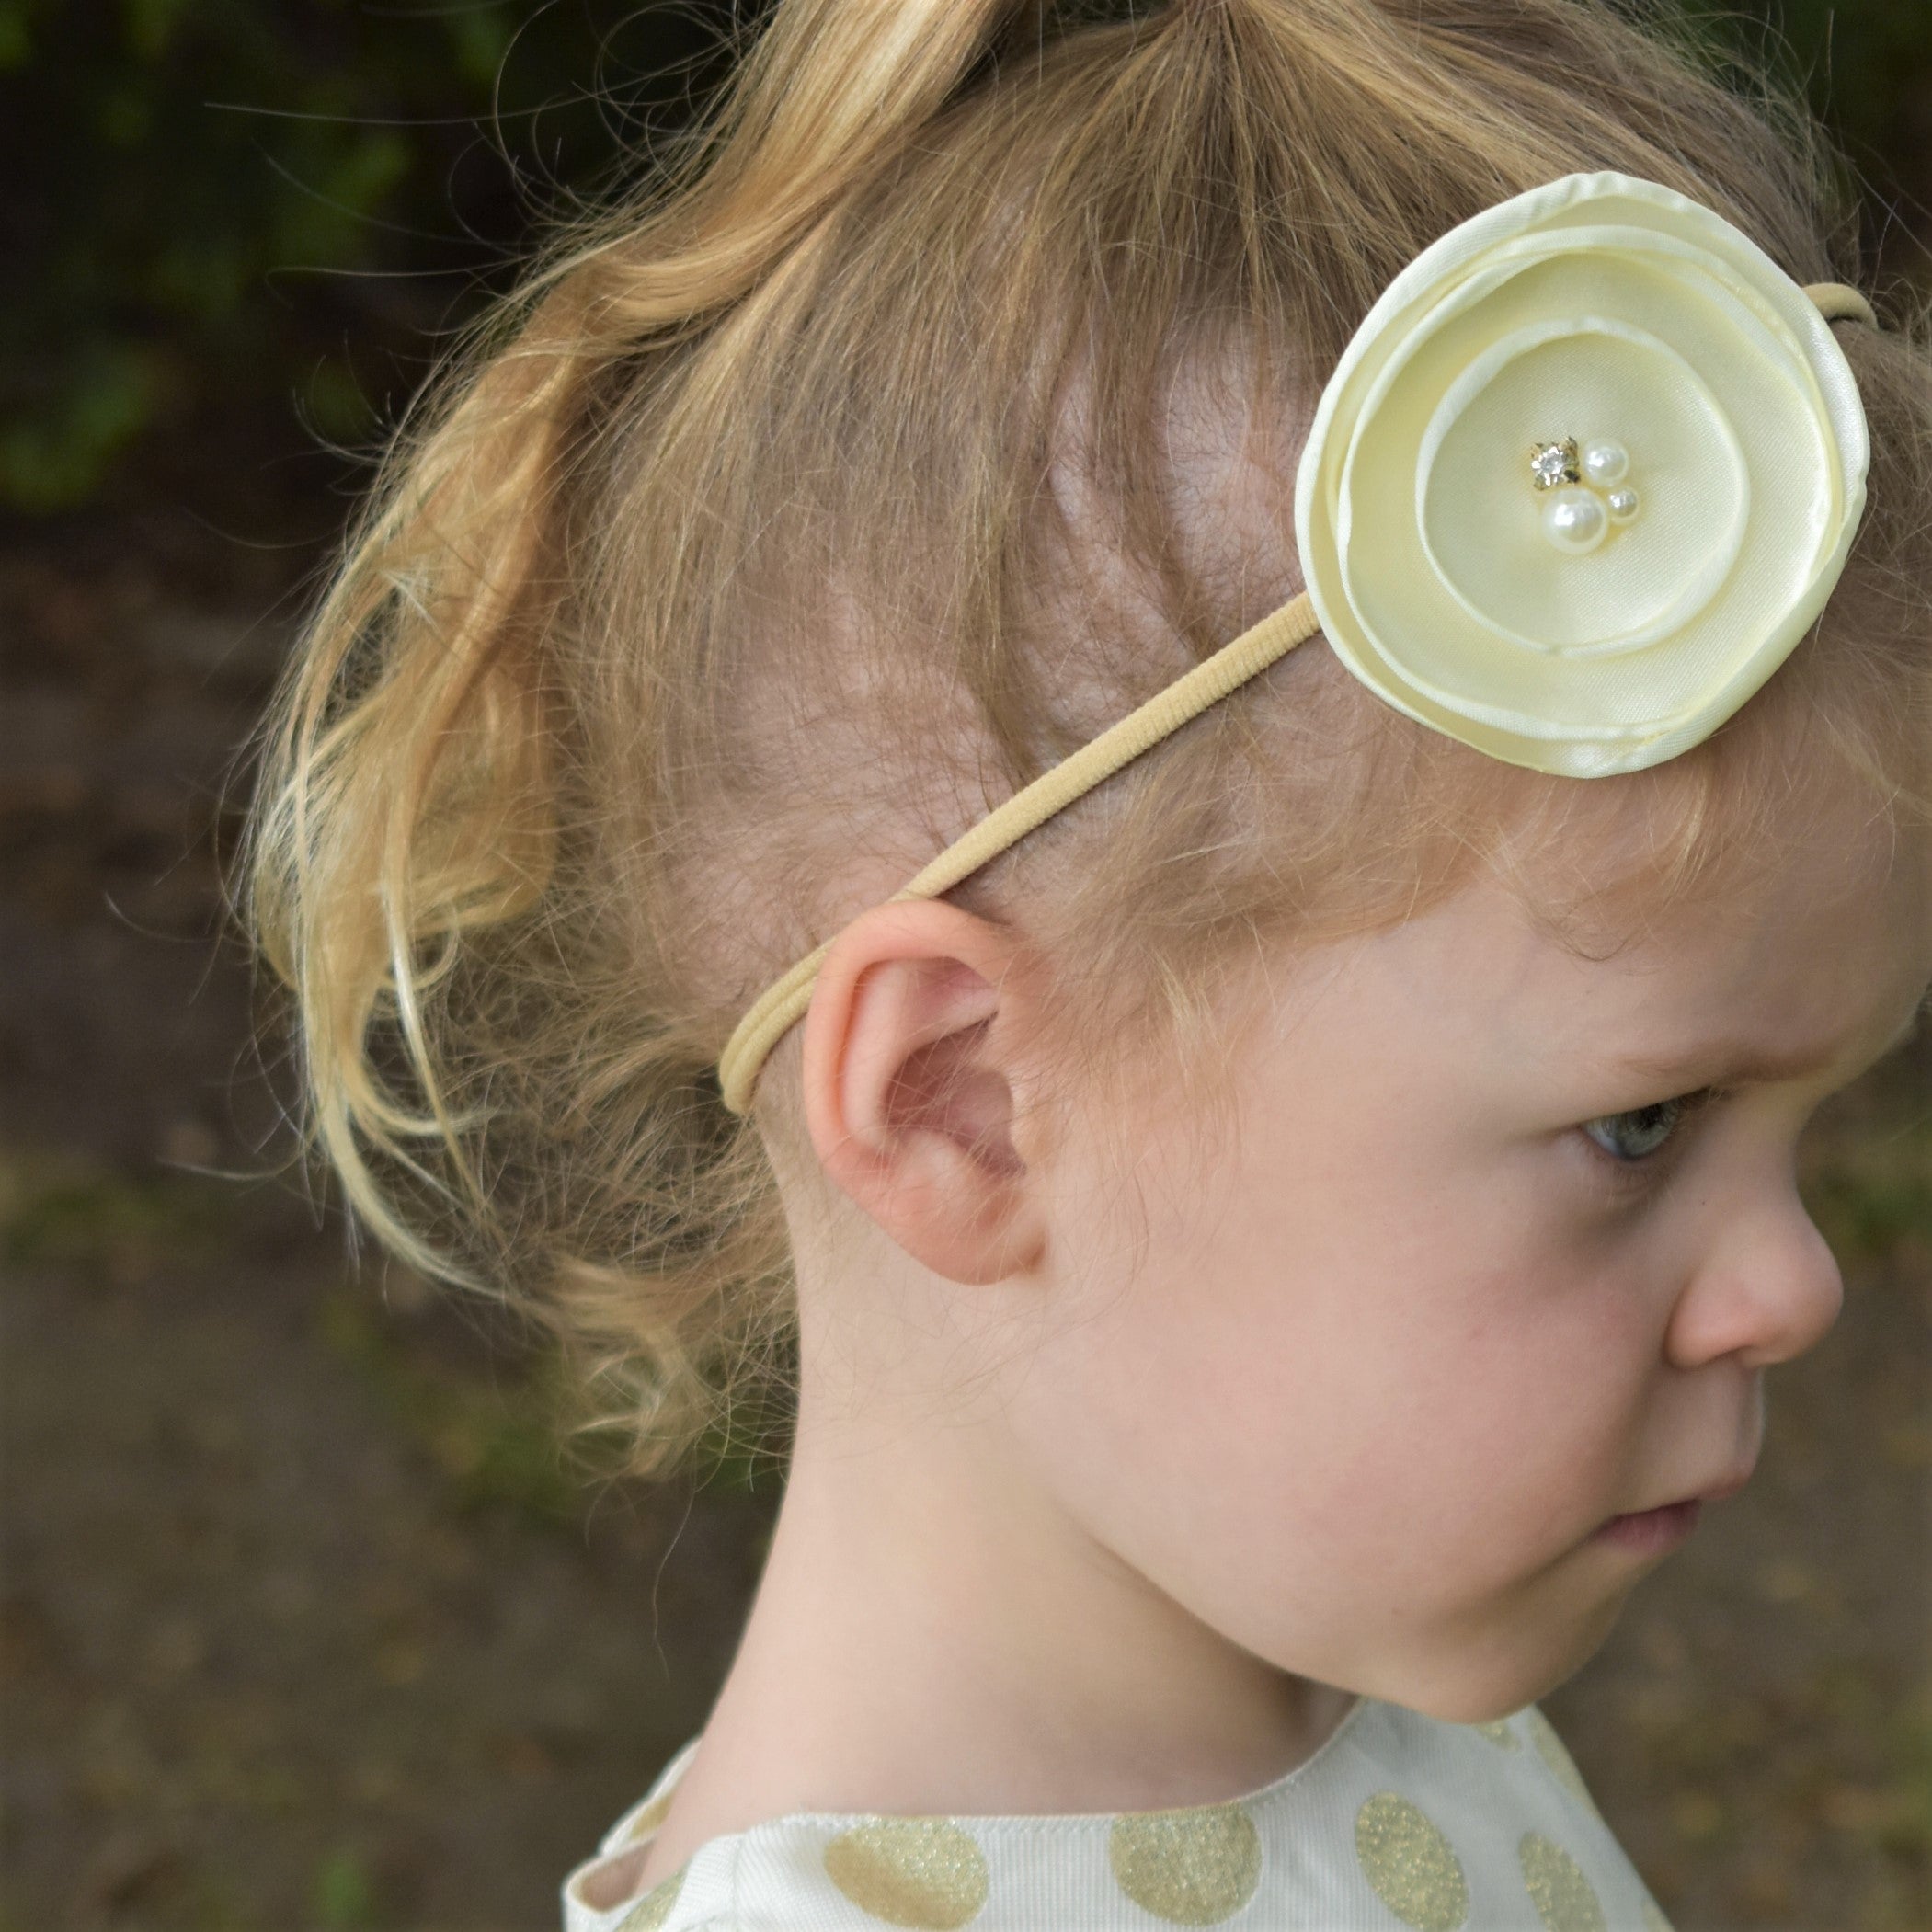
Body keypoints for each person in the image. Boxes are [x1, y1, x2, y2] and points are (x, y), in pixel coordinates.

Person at [242, 0, 1932, 1925]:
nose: (1794, 1285)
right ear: (969, 1107)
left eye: (1805, 1119)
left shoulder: (1380, 1720)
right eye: (1643, 1122)